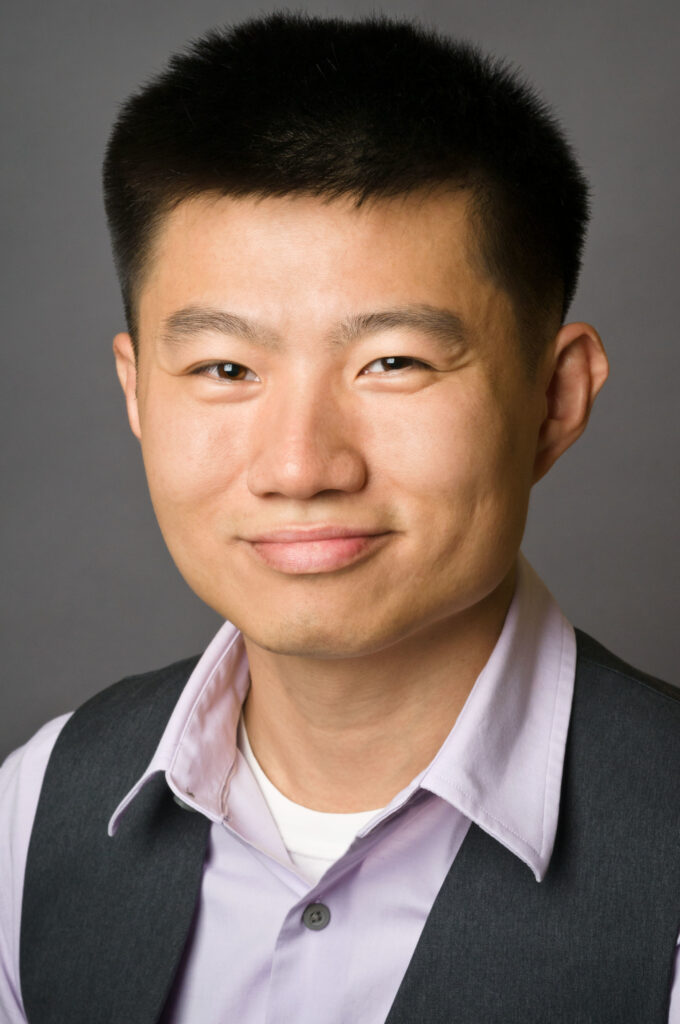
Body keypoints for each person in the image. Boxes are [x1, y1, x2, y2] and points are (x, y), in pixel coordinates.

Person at [2, 11, 679, 1023]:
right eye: (224, 368)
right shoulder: (33, 810)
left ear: (555, 397)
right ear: (137, 390)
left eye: (392, 362)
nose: (298, 465)